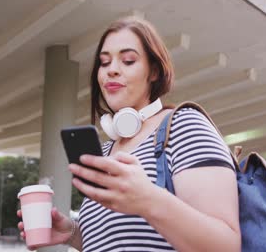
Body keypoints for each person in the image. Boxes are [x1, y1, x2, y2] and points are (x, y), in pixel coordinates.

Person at [18, 16, 241, 251]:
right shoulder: (105, 151)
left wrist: (148, 199)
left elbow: (226, 246)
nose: (112, 70)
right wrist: (72, 233)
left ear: (154, 71)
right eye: (104, 63)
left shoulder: (184, 126)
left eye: (128, 60)